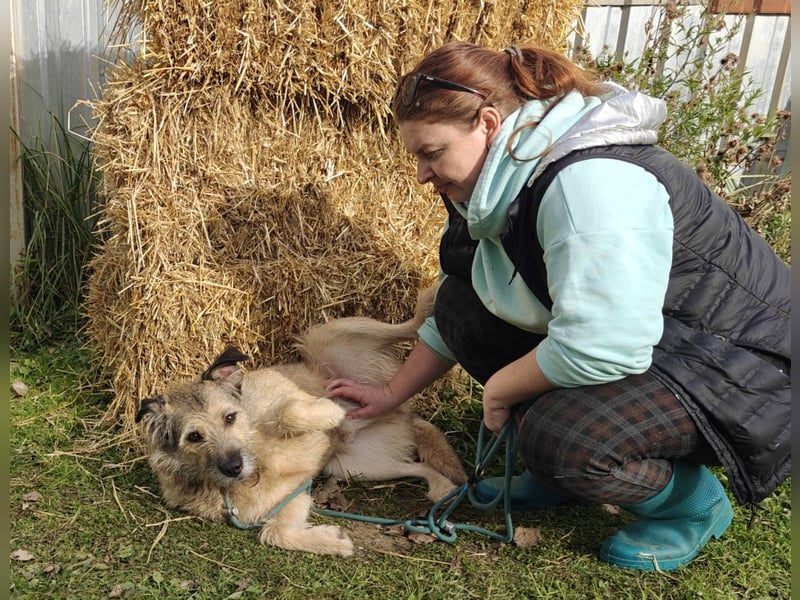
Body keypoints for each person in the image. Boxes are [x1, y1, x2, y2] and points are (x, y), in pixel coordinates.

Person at [327, 41, 791, 571]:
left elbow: (603, 344)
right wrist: (390, 393)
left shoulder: (590, 184)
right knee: (461, 305)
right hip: (657, 342)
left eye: (431, 152)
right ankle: (561, 477)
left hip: (740, 364)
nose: (421, 175)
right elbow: (466, 296)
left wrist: (502, 390)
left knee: (560, 438)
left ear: (487, 123)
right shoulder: (494, 178)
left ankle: (690, 504)